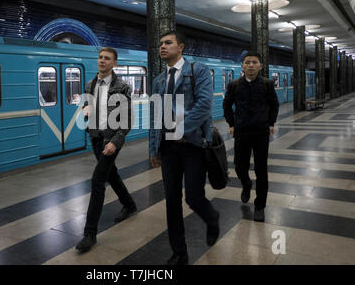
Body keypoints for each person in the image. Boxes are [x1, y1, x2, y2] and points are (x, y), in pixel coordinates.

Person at [149, 30, 219, 265]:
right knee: (171, 200)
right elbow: (155, 115)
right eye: (160, 43)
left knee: (193, 197)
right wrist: (153, 149)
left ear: (181, 47)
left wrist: (181, 129)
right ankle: (179, 251)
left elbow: (204, 105)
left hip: (193, 145)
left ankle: (211, 217)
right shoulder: (159, 80)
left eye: (168, 42)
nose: (162, 46)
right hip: (168, 149)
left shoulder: (196, 70)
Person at [75, 47, 137, 253]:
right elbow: (88, 109)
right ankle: (129, 204)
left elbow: (127, 119)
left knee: (97, 181)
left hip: (111, 140)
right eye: (100, 57)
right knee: (111, 174)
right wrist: (85, 111)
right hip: (95, 138)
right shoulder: (90, 84)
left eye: (107, 58)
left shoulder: (122, 87)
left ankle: (89, 233)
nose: (102, 61)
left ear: (114, 63)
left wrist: (116, 142)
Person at [223, 51, 279, 222]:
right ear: (243, 66)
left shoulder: (267, 84)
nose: (251, 65)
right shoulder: (234, 85)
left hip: (261, 132)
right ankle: (246, 184)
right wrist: (231, 124)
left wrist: (271, 123)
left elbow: (274, 104)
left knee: (261, 170)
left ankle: (260, 206)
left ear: (260, 66)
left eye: (255, 62)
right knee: (239, 166)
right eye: (248, 62)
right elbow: (227, 105)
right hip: (241, 131)